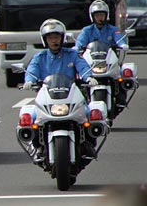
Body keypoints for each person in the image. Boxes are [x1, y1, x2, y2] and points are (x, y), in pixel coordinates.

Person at [22, 18, 98, 162]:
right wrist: (29, 81)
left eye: (56, 37)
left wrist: (88, 77)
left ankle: (88, 145)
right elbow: (31, 70)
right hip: (47, 97)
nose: (54, 40)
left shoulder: (72, 54)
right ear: (45, 40)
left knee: (91, 115)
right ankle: (37, 147)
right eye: (50, 37)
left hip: (71, 95)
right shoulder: (40, 57)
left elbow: (82, 66)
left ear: (62, 38)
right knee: (30, 118)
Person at [74, 0, 129, 110]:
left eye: (102, 15)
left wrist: (123, 45)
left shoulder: (113, 30)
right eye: (97, 15)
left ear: (106, 15)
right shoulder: (87, 31)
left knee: (121, 77)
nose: (100, 18)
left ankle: (120, 99)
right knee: (77, 78)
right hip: (92, 62)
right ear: (92, 16)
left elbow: (119, 39)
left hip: (108, 61)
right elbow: (79, 43)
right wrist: (76, 48)